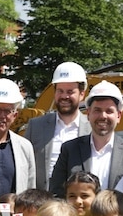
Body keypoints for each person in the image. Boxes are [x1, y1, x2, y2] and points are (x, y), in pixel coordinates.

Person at [50, 80, 123, 198]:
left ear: (119, 116)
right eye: (97, 110)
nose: (103, 116)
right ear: (88, 114)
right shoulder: (70, 149)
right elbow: (56, 193)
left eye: (109, 111)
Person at [24, 61, 91, 191]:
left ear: (82, 94)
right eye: (60, 91)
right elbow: (25, 166)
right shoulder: (36, 126)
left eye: (70, 91)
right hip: (42, 199)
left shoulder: (91, 129)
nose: (64, 96)